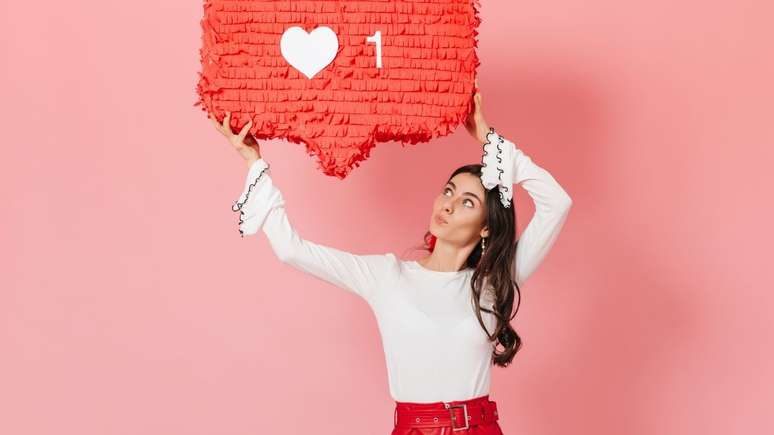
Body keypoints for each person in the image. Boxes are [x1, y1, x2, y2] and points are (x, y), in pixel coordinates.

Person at [209, 84, 572, 435]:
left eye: (467, 202)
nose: (447, 204)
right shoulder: (386, 275)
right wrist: (254, 162)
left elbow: (557, 203)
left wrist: (488, 139)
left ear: (486, 227)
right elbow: (291, 249)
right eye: (448, 191)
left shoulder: (496, 282)